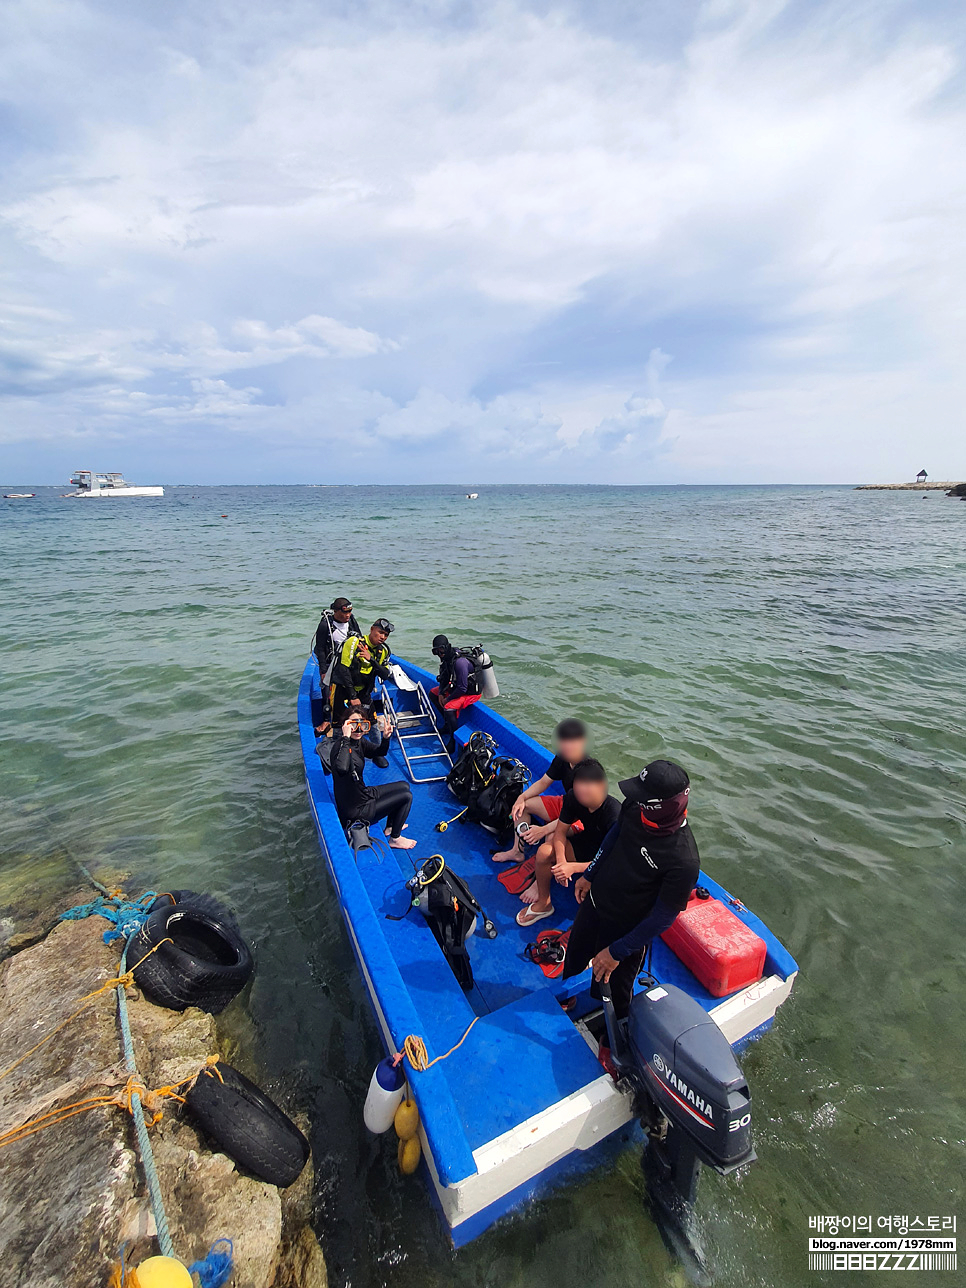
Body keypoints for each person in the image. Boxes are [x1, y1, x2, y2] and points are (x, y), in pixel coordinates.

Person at [561, 759, 700, 1023]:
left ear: (664, 807)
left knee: (613, 990)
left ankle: (614, 1037)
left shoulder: (683, 860)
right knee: (575, 954)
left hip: (626, 928)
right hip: (595, 901)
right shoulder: (635, 806)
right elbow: (615, 834)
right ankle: (566, 997)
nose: (636, 801)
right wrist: (589, 874)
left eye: (645, 800)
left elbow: (663, 917)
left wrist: (617, 951)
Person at [515, 759, 620, 928]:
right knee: (544, 852)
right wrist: (562, 861)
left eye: (588, 790)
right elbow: (560, 832)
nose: (582, 796)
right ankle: (544, 903)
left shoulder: (614, 816)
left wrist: (575, 869)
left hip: (607, 859)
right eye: (579, 790)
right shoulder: (574, 797)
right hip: (586, 845)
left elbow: (614, 861)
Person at [492, 718, 588, 862]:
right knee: (522, 807)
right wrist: (521, 798)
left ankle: (541, 877)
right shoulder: (562, 758)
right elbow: (543, 782)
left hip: (580, 817)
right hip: (565, 803)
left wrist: (543, 830)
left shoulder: (587, 771)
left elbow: (578, 813)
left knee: (552, 836)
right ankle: (517, 852)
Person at [330, 705, 416, 849]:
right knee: (406, 796)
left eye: (362, 724)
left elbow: (379, 752)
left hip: (363, 794)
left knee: (404, 785)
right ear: (345, 725)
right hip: (355, 810)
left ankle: (390, 827)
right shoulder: (341, 746)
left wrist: (386, 738)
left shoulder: (358, 741)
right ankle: (395, 839)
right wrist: (345, 737)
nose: (358, 729)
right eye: (353, 724)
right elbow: (342, 768)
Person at [330, 618, 394, 726]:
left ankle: (379, 743)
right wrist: (353, 696)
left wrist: (372, 660)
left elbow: (385, 675)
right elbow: (343, 669)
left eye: (386, 635)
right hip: (344, 690)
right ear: (372, 629)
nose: (383, 637)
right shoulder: (354, 642)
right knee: (339, 725)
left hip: (364, 692)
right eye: (380, 633)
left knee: (373, 724)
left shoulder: (383, 651)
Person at [311, 596, 361, 732]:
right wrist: (323, 670)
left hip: (348, 661)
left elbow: (359, 638)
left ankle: (354, 715)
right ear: (335, 611)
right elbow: (320, 648)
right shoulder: (325, 624)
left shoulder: (351, 620)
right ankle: (327, 720)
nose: (347, 615)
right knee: (326, 690)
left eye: (349, 612)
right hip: (331, 662)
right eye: (345, 612)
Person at [429, 635, 482, 753]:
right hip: (457, 688)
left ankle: (453, 741)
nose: (439, 653)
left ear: (447, 647)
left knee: (448, 708)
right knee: (433, 694)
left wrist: (448, 700)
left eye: (441, 649)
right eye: (435, 651)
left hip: (470, 692)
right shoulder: (447, 659)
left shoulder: (460, 662)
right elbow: (443, 678)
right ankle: (448, 725)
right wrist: (442, 693)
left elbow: (462, 688)